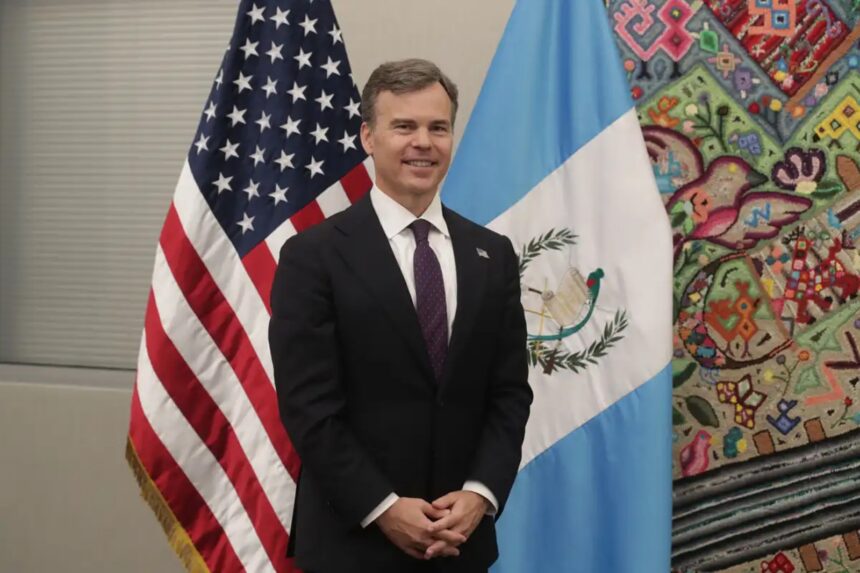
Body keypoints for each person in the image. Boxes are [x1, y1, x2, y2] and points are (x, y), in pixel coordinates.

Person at [269, 58, 532, 573]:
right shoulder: (313, 256)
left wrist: (480, 494)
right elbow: (308, 407)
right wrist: (382, 507)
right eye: (404, 126)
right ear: (368, 137)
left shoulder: (492, 254)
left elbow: (509, 394)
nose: (423, 143)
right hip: (353, 544)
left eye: (438, 128)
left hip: (461, 542)